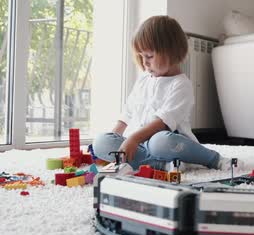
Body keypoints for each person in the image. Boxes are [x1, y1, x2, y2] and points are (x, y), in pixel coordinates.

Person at [92, 15, 239, 171]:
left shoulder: (181, 85)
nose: (144, 63)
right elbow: (126, 116)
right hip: (139, 146)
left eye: (149, 56)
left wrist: (134, 139)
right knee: (100, 141)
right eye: (141, 57)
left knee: (159, 142)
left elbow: (162, 122)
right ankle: (160, 165)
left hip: (167, 143)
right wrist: (117, 143)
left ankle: (213, 159)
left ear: (172, 52)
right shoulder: (143, 81)